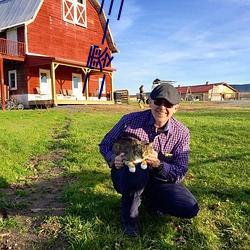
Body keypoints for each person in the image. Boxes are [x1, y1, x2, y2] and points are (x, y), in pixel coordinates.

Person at [99, 84, 199, 237]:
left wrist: (159, 165)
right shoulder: (129, 121)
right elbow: (105, 144)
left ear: (176, 108)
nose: (162, 108)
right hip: (128, 174)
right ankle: (130, 220)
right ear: (150, 102)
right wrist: (113, 159)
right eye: (158, 102)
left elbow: (180, 171)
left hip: (159, 179)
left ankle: (150, 200)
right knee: (137, 170)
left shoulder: (182, 133)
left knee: (189, 207)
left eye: (168, 104)